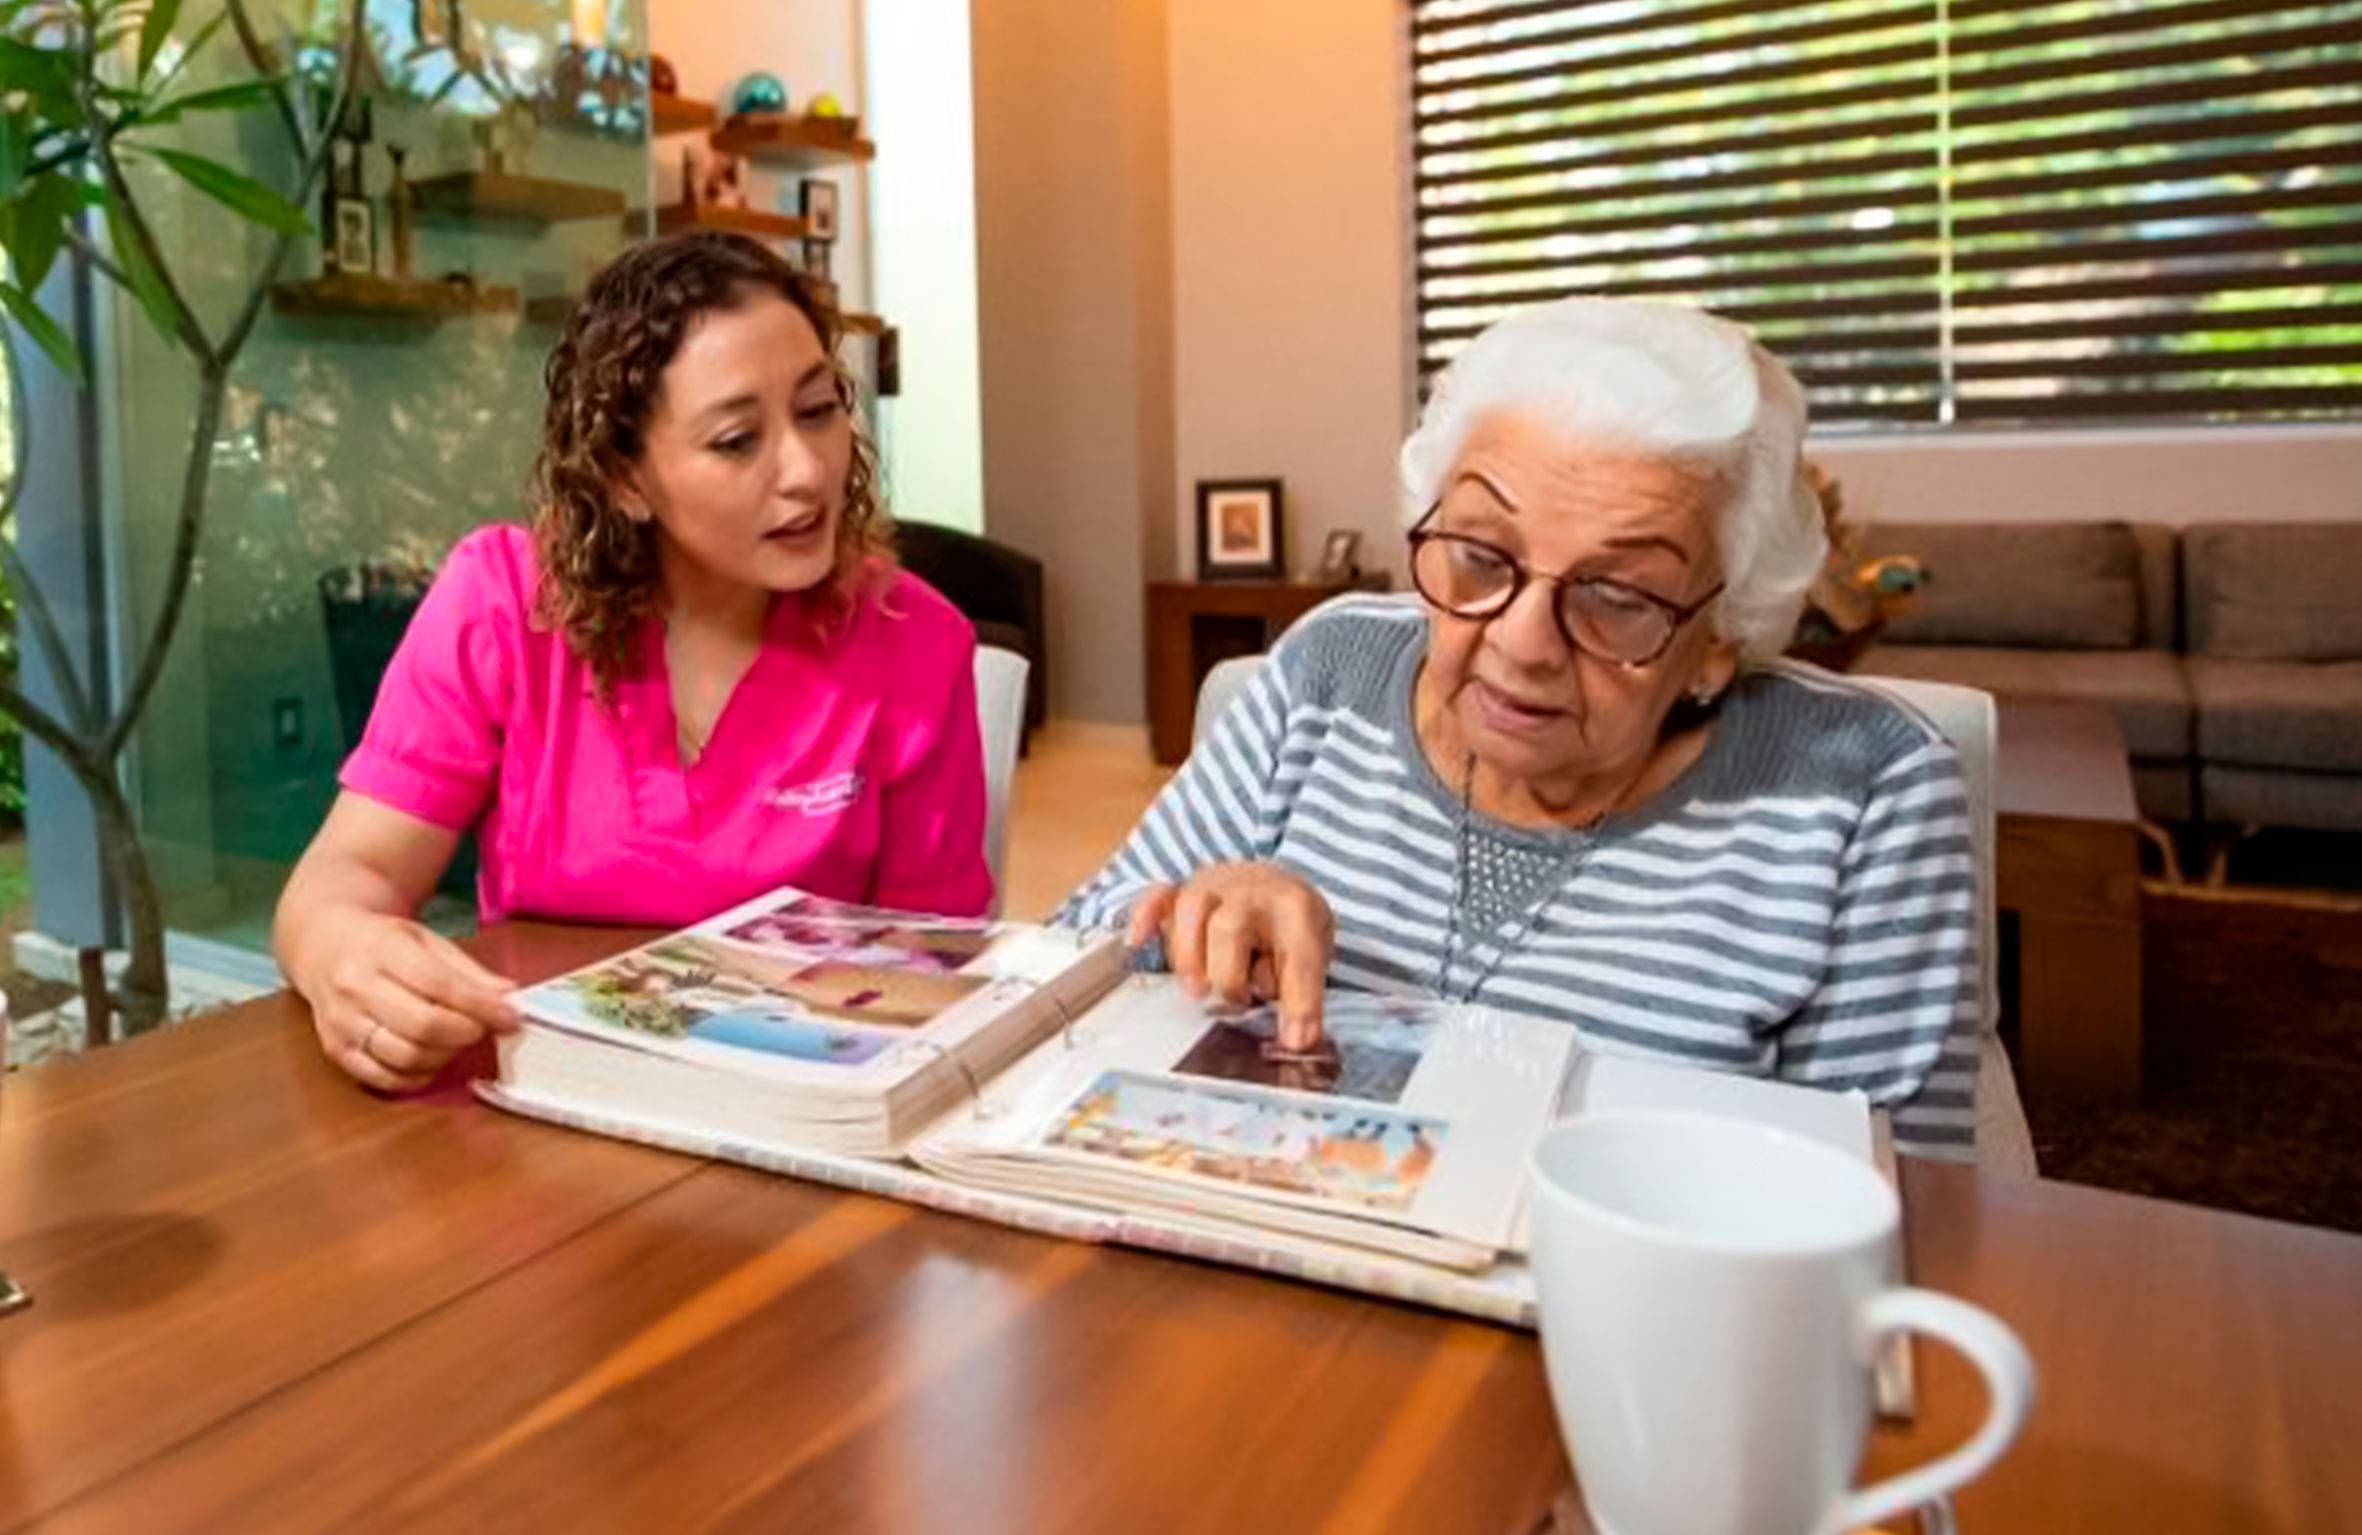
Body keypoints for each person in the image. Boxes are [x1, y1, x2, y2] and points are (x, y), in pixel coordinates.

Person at [1059, 299, 1980, 1158]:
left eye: (1617, 597)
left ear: (1719, 637)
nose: (1522, 641)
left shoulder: (1865, 787)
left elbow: (1899, 1197)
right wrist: (1188, 913)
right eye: (1479, 556)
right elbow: (1066, 954)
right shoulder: (1330, 669)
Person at [277, 229, 991, 1093]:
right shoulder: (502, 602)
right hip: (536, 1104)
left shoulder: (914, 641)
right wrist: (340, 954)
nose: (807, 471)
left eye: (818, 409)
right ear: (625, 478)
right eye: (737, 439)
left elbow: (934, 978)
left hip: (801, 1113)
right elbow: (348, 874)